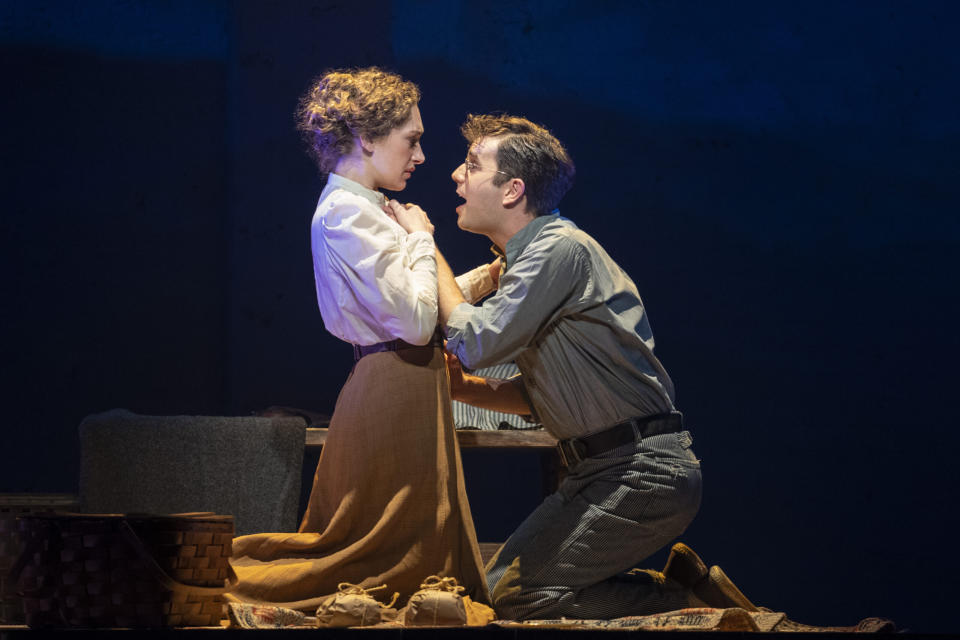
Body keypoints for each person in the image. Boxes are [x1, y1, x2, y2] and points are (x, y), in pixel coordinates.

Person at [390, 113, 757, 620]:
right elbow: (541, 396)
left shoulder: (559, 248)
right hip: (603, 468)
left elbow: (475, 338)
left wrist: (425, 246)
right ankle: (681, 588)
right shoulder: (530, 258)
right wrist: (465, 389)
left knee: (519, 596)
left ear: (513, 189)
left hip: (640, 470)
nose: (456, 174)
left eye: (472, 165)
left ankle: (688, 604)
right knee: (501, 587)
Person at [225, 68, 495, 613]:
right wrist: (422, 238)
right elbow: (417, 322)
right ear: (367, 138)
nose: (420, 156)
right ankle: (220, 586)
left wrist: (488, 278)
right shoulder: (347, 214)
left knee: (410, 536)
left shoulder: (370, 208)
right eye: (411, 139)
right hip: (393, 382)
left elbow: (410, 305)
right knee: (369, 548)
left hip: (409, 378)